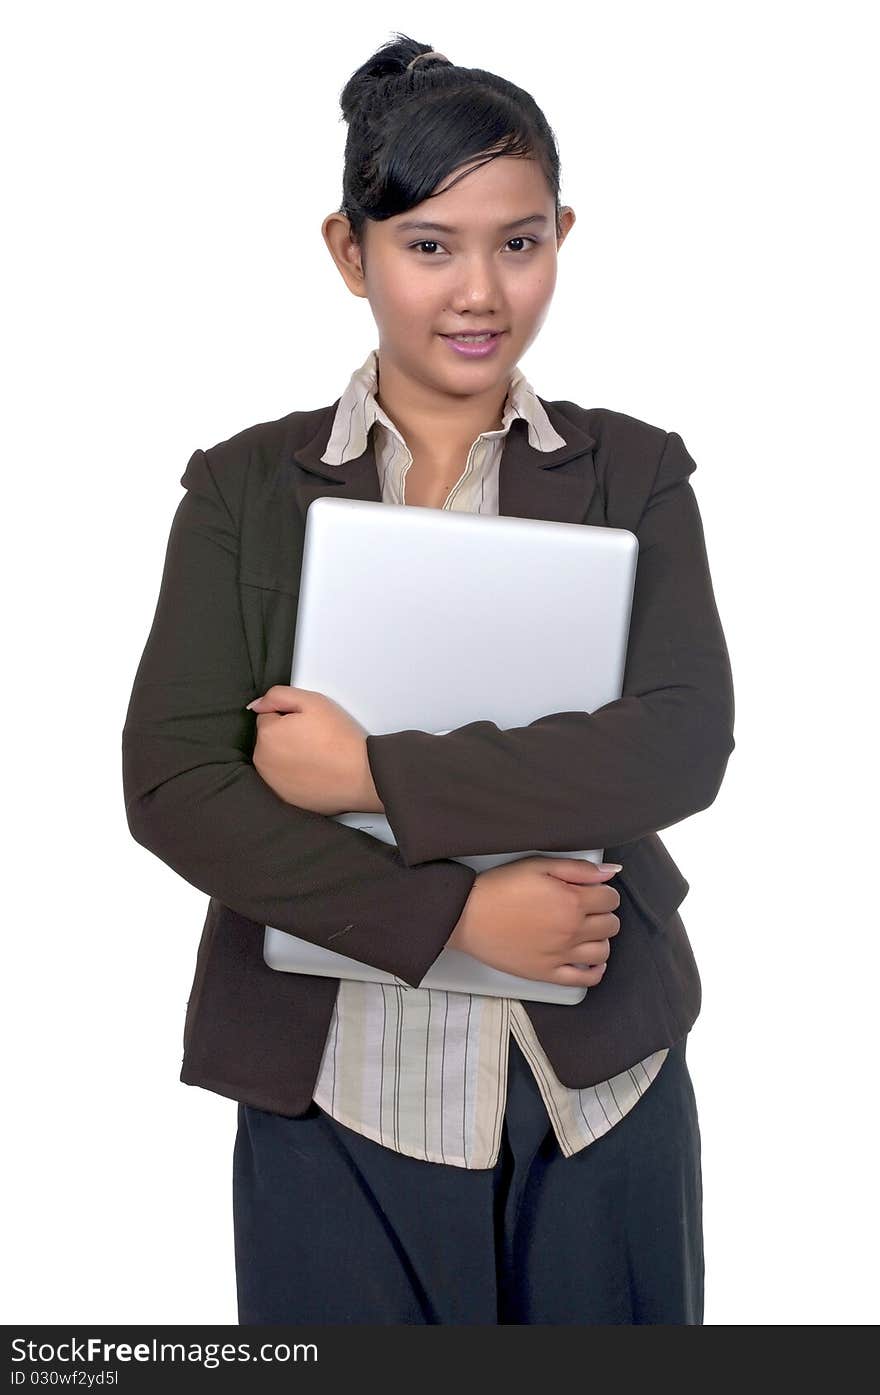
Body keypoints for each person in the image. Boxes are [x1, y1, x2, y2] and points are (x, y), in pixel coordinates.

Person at [122, 34, 735, 1325]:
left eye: (519, 242)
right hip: (336, 1085)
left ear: (563, 233)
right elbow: (177, 783)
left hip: (595, 1075)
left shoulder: (634, 471)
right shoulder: (244, 488)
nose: (481, 292)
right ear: (352, 251)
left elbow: (680, 743)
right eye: (430, 245)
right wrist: (453, 920)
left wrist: (372, 773)